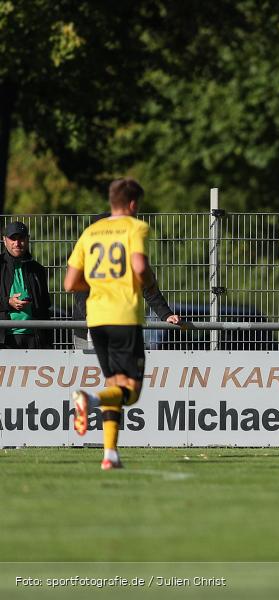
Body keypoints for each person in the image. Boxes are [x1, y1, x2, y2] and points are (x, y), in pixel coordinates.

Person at [64, 178, 159, 470]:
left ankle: (110, 455)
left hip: (96, 318)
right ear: (132, 204)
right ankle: (89, 399)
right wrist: (149, 282)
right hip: (123, 316)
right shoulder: (135, 227)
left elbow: (70, 283)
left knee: (114, 384)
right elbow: (140, 267)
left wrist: (97, 285)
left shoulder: (91, 232)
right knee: (131, 392)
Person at [71, 212, 180, 350]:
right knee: (88, 367)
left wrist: (167, 315)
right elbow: (81, 292)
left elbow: (149, 289)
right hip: (89, 326)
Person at [1, 221, 52, 349]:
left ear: (28, 240)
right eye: (12, 238)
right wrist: (8, 302)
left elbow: (45, 307)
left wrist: (48, 342)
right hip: (4, 340)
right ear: (4, 240)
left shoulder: (38, 269)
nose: (17, 243)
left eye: (21, 238)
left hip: (35, 339)